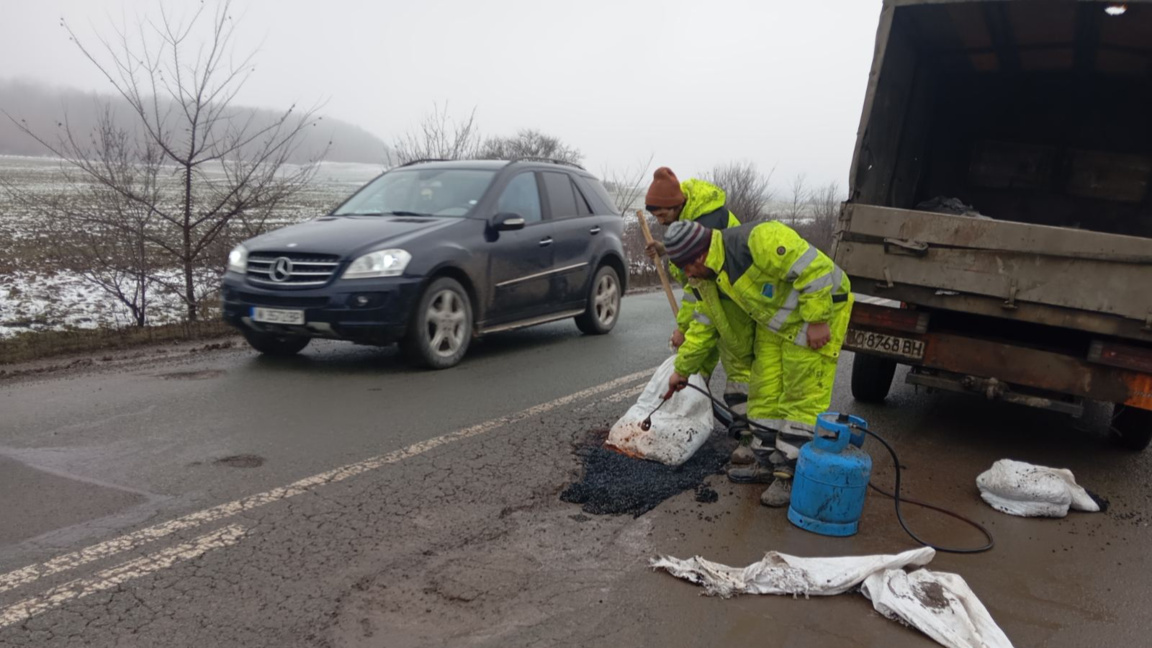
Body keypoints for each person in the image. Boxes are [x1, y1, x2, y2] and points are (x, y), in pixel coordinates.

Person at [662, 218, 854, 507]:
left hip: (817, 312)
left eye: (687, 267)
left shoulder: (758, 239)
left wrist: (817, 320)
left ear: (700, 256)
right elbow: (703, 326)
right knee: (763, 391)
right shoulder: (708, 278)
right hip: (774, 322)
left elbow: (815, 270)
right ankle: (766, 463)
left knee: (801, 396)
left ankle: (789, 474)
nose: (688, 276)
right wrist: (682, 370)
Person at [642, 167, 759, 464]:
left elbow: (696, 284)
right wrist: (665, 248)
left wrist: (684, 327)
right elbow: (695, 284)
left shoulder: (709, 220)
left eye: (662, 214)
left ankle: (751, 438)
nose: (660, 221)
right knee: (696, 364)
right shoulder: (688, 214)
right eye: (655, 216)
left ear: (677, 204)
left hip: (732, 300)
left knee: (739, 369)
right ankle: (689, 423)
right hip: (711, 294)